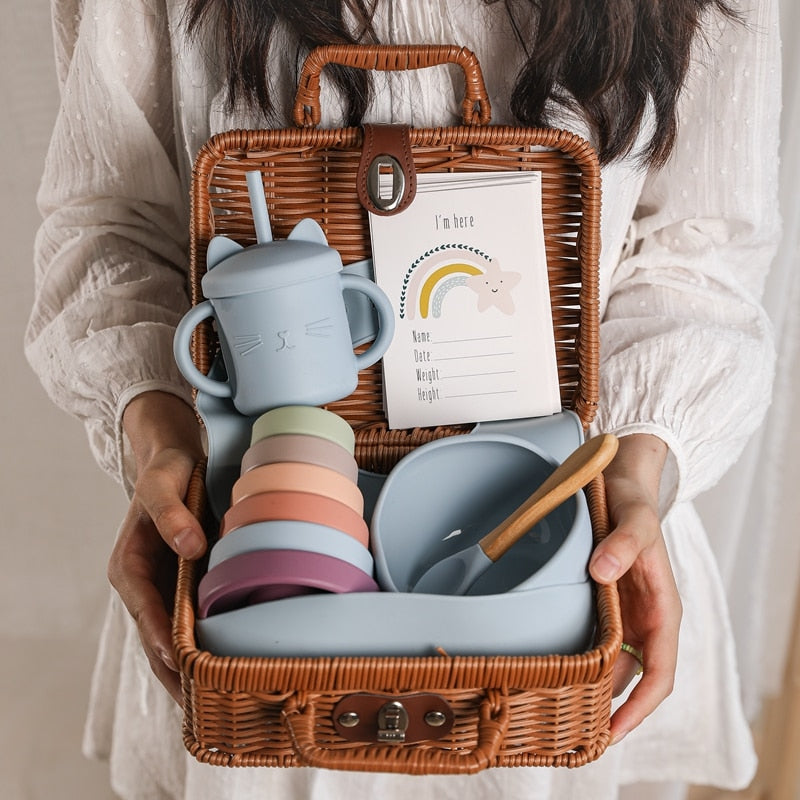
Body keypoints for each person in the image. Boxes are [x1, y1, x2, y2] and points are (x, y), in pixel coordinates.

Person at [25, 1, 781, 798]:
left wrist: (634, 471)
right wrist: (157, 436)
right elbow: (109, 222)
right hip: (244, 546)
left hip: (589, 509)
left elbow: (697, 254)